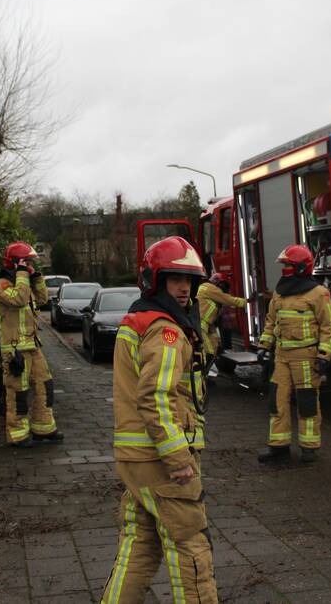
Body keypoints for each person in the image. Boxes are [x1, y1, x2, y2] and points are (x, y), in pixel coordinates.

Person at [101, 236, 217, 603]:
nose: (184, 288)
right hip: (163, 463)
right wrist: (178, 458)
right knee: (191, 549)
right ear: (155, 280)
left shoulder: (137, 318)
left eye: (190, 281)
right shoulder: (165, 330)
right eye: (174, 279)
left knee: (140, 545)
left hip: (137, 462)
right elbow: (155, 397)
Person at [256, 244, 331, 465]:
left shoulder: (319, 294)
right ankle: (278, 447)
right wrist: (264, 347)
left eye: (288, 265)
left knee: (307, 403)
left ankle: (309, 448)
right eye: (284, 266)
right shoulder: (280, 292)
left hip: (306, 356)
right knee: (277, 401)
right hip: (281, 356)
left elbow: (328, 327)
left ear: (301, 267)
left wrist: (324, 356)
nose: (285, 270)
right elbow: (271, 321)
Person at [0, 241, 64, 448]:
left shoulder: (24, 283)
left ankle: (44, 428)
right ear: (14, 263)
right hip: (14, 350)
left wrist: (36, 276)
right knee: (18, 392)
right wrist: (22, 274)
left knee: (44, 385)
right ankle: (17, 434)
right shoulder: (2, 285)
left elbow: (41, 299)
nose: (29, 264)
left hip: (32, 345)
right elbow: (20, 300)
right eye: (26, 261)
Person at [196, 272, 247, 377]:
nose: (222, 289)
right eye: (222, 285)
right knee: (209, 352)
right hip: (200, 325)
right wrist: (247, 302)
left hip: (207, 326)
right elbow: (228, 299)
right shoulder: (209, 287)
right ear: (216, 281)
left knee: (214, 347)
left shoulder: (206, 288)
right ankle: (200, 377)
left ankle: (204, 376)